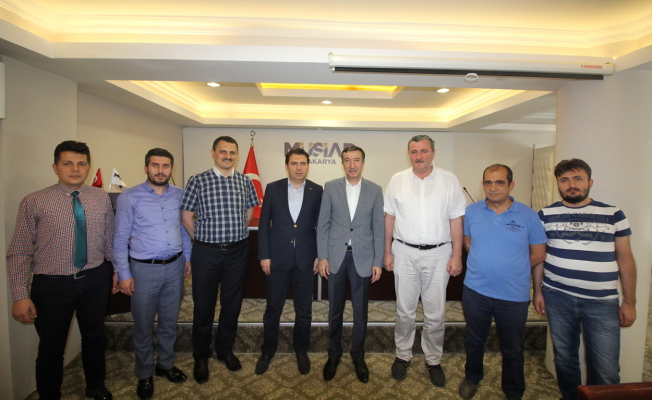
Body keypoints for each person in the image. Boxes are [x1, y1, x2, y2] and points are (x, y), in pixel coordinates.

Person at [7, 140, 116, 400]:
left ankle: (95, 386)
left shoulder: (100, 197)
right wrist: (19, 295)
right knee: (51, 348)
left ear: (88, 167)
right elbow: (20, 250)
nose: (75, 169)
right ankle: (49, 395)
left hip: (95, 278)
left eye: (81, 164)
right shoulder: (34, 201)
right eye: (68, 163)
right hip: (52, 285)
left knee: (95, 337)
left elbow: (109, 239)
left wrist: (116, 271)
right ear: (55, 168)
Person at [533, 158, 637, 400]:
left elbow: (626, 259)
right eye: (564, 180)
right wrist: (537, 291)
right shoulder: (545, 215)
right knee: (564, 359)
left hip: (601, 303)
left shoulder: (613, 214)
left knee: (606, 368)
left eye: (577, 178)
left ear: (590, 182)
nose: (571, 185)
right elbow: (539, 258)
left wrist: (630, 302)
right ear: (558, 184)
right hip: (557, 298)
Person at [383, 135, 466, 387]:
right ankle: (403, 355)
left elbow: (456, 220)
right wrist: (387, 252)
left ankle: (433, 359)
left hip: (439, 254)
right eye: (414, 152)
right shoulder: (397, 180)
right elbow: (389, 218)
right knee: (404, 310)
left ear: (433, 153)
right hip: (404, 252)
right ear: (408, 154)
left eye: (423, 151)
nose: (418, 156)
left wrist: (457, 255)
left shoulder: (449, 180)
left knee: (435, 312)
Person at [458, 164, 547, 400]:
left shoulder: (528, 215)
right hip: (476, 290)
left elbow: (539, 254)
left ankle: (513, 389)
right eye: (488, 182)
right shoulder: (472, 211)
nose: (493, 187)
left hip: (513, 294)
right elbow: (467, 241)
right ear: (483, 185)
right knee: (474, 339)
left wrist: (513, 268)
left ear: (511, 185)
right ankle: (472, 376)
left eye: (499, 182)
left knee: (513, 347)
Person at [113, 148, 192, 399]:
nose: (160, 170)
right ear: (146, 168)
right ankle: (144, 372)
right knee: (143, 325)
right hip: (143, 269)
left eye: (165, 166)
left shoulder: (180, 195)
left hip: (175, 267)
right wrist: (123, 273)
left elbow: (183, 229)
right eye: (155, 165)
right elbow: (120, 238)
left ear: (171, 169)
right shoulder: (129, 197)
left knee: (169, 322)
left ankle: (165, 365)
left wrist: (187, 257)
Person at [180, 136, 259, 384]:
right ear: (213, 153)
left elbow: (249, 212)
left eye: (232, 152)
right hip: (207, 253)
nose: (228, 156)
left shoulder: (245, 181)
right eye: (223, 151)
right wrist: (204, 239)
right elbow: (186, 217)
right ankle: (201, 356)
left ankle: (225, 350)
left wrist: (232, 232)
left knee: (232, 305)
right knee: (203, 307)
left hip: (237, 252)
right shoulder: (198, 180)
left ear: (237, 155)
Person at [317, 145, 384, 383]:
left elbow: (379, 228)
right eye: (347, 160)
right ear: (342, 163)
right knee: (334, 311)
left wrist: (378, 261)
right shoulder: (330, 187)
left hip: (363, 258)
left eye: (356, 160)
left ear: (363, 163)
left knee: (360, 313)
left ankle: (358, 356)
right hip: (336, 258)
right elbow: (323, 224)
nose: (352, 165)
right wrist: (323, 256)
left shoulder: (375, 190)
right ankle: (333, 355)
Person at [255, 148, 323, 375]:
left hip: (306, 260)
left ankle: (301, 350)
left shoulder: (317, 190)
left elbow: (320, 227)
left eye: (303, 163)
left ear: (308, 166)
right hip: (277, 260)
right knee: (273, 309)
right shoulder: (273, 188)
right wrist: (264, 255)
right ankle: (268, 350)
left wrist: (319, 255)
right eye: (294, 163)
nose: (299, 168)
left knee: (304, 310)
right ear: (287, 166)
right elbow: (264, 224)